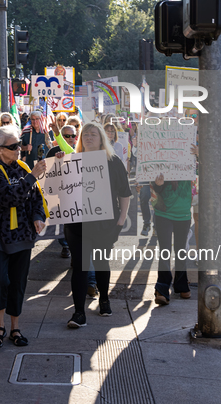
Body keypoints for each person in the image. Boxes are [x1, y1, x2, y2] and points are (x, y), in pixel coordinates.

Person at [0, 126, 47, 347]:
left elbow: (36, 197)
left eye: (18, 144)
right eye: (13, 146)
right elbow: (7, 197)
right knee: (0, 280)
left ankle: (15, 328)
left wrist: (38, 216)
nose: (19, 149)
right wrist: (31, 177)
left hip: (22, 234)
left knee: (18, 282)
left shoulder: (22, 167)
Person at [66, 123, 131, 328]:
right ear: (80, 139)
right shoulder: (72, 162)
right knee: (80, 267)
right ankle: (78, 313)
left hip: (104, 226)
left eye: (94, 134)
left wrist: (121, 221)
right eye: (85, 134)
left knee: (102, 265)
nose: (89, 137)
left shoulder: (113, 162)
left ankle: (104, 299)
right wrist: (59, 164)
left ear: (102, 138)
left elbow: (124, 193)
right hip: (77, 226)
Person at [151, 170, 195, 306]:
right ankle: (162, 288)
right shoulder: (161, 154)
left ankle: (181, 284)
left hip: (183, 213)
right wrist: (158, 184)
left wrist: (200, 155)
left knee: (181, 250)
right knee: (165, 251)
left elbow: (205, 171)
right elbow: (153, 184)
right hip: (163, 212)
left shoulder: (191, 156)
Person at [45, 124, 78, 259]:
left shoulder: (81, 150)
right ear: (61, 137)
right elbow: (46, 174)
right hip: (60, 194)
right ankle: (65, 245)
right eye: (67, 136)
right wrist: (58, 162)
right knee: (63, 221)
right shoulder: (53, 152)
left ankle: (74, 250)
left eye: (73, 136)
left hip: (76, 194)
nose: (70, 139)